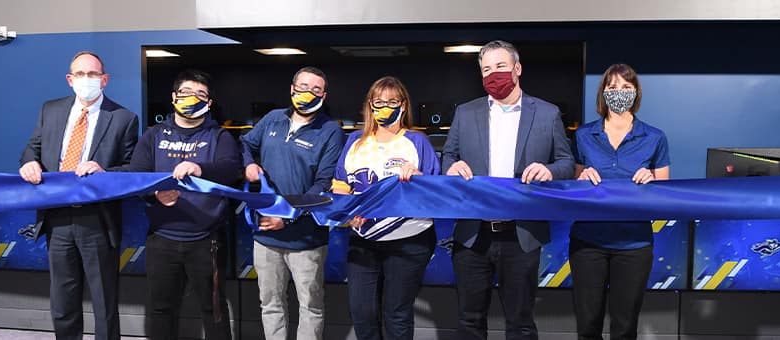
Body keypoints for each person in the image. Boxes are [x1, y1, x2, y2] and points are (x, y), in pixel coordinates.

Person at [441, 40, 574, 340]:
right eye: (486, 69)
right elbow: (448, 155)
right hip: (472, 235)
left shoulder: (547, 113)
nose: (493, 74)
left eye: (500, 66)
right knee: (469, 322)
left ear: (518, 68)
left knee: (521, 324)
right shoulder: (466, 112)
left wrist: (550, 171)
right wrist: (451, 166)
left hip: (522, 235)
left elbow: (567, 162)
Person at [19, 51, 139, 340]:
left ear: (104, 79)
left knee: (104, 301)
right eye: (81, 74)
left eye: (93, 74)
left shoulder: (124, 118)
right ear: (70, 79)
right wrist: (29, 162)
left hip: (97, 219)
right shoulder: (50, 110)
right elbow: (32, 148)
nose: (87, 79)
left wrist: (104, 171)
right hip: (56, 217)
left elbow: (133, 169)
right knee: (63, 300)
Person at [121, 69, 240, 339]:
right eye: (186, 92)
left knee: (214, 311)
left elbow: (230, 169)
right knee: (161, 310)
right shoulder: (154, 135)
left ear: (209, 103)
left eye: (201, 94)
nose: (193, 98)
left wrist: (200, 168)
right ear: (174, 97)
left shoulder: (219, 137)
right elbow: (137, 175)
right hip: (162, 239)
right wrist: (155, 194)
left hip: (207, 241)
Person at [240, 66, 345, 340]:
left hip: (307, 238)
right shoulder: (273, 119)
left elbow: (322, 185)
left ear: (324, 95)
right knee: (270, 304)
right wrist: (249, 164)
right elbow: (245, 144)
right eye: (303, 87)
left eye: (316, 89)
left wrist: (286, 217)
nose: (308, 93)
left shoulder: (331, 131)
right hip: (265, 235)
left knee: (310, 306)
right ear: (292, 89)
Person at [331, 76, 440, 340]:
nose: (384, 107)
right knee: (362, 313)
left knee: (396, 314)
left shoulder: (417, 141)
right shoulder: (355, 141)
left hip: (409, 240)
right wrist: (348, 214)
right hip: (363, 240)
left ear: (403, 105)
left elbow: (436, 191)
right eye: (378, 102)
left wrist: (419, 177)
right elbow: (340, 188)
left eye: (392, 102)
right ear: (370, 105)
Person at [570, 63, 669, 340]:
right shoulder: (583, 136)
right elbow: (573, 187)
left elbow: (665, 193)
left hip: (633, 245)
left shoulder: (654, 137)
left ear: (635, 92)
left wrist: (651, 179)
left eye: (626, 87)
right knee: (587, 327)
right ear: (603, 92)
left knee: (625, 329)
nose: (619, 92)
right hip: (588, 243)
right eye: (612, 87)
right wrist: (580, 178)